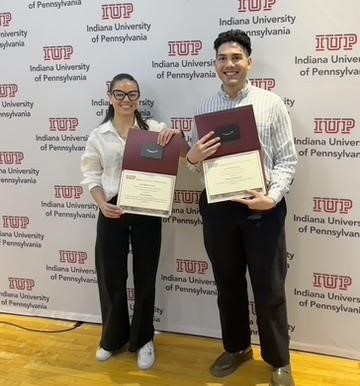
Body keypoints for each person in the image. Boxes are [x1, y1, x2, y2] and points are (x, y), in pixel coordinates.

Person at [186, 30, 297, 386]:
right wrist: (191, 157)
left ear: (248, 62)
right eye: (222, 58)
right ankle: (236, 348)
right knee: (227, 283)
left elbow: (287, 159)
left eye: (236, 57)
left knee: (270, 287)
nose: (229, 64)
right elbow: (194, 162)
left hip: (262, 206)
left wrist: (273, 197)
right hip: (218, 208)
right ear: (215, 64)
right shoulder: (203, 108)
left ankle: (278, 360)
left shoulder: (271, 103)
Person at [80, 73, 175, 370]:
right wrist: (100, 204)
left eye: (132, 94)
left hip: (147, 211)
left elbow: (176, 152)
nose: (126, 100)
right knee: (112, 277)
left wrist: (172, 138)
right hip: (111, 210)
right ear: (110, 98)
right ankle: (112, 338)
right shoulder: (99, 135)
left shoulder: (154, 130)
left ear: (139, 99)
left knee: (146, 276)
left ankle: (144, 337)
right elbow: (90, 175)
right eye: (119, 94)